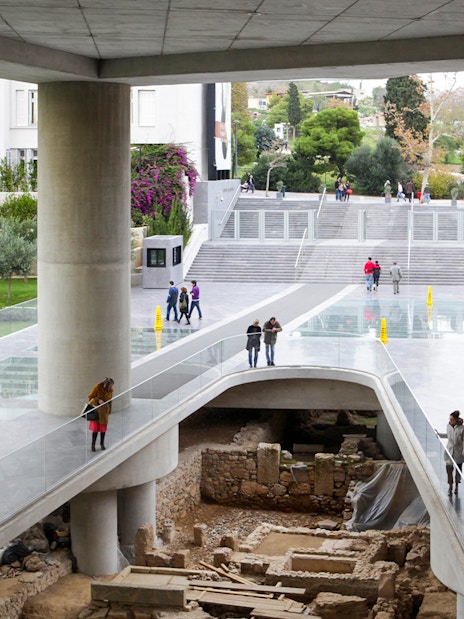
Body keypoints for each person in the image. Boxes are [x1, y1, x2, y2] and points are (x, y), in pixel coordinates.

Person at [436, 411, 464, 496]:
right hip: (449, 451)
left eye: (452, 419)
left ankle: (456, 487)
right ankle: (450, 486)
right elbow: (448, 435)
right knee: (449, 469)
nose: (450, 421)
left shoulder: (462, 428)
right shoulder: (448, 426)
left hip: (459, 452)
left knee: (458, 471)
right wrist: (439, 435)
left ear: (456, 420)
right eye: (450, 419)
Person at [87, 377, 114, 452]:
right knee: (95, 430)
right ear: (106, 385)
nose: (112, 387)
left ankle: (102, 444)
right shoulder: (97, 388)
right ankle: (93, 445)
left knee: (103, 430)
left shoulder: (110, 390)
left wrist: (109, 410)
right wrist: (98, 400)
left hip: (104, 413)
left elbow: (110, 401)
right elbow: (90, 398)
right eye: (110, 386)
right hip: (97, 412)